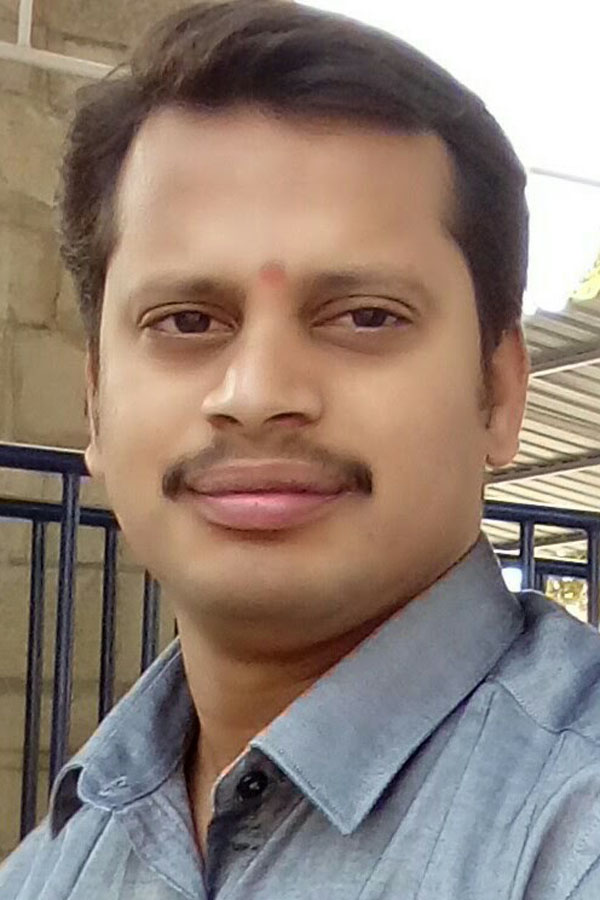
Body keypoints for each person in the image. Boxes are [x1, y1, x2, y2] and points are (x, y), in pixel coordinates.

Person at [3, 1, 600, 897]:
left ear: (500, 390)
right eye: (187, 321)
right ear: (95, 402)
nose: (257, 394)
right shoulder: (58, 861)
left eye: (365, 317)